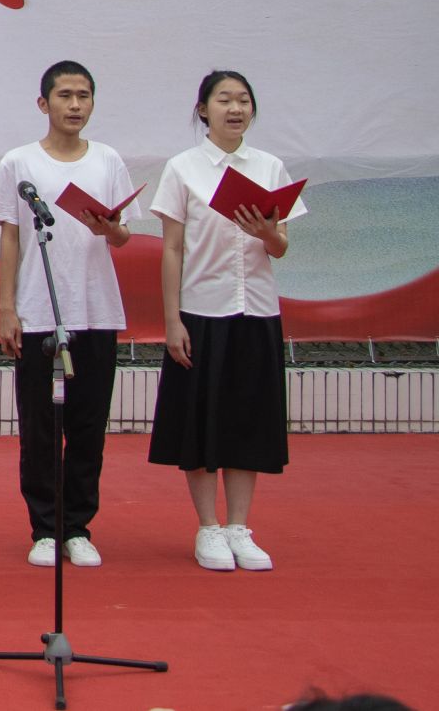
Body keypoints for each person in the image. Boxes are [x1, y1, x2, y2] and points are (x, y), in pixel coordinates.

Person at [0, 61, 140, 568]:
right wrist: (7, 308)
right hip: (37, 312)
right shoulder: (19, 162)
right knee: (40, 427)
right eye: (65, 95)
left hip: (96, 310)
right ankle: (45, 528)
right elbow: (10, 236)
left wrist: (109, 228)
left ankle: (78, 528)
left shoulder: (108, 160)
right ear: (43, 103)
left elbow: (123, 235)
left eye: (84, 95)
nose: (75, 105)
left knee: (89, 426)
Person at [149, 69, 305, 572]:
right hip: (201, 310)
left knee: (247, 419)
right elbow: (172, 249)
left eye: (243, 101)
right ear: (203, 110)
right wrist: (172, 321)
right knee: (199, 420)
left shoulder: (270, 166)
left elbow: (280, 247)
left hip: (256, 309)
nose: (235, 109)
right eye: (224, 100)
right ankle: (208, 527)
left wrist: (267, 232)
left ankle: (239, 526)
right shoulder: (183, 168)